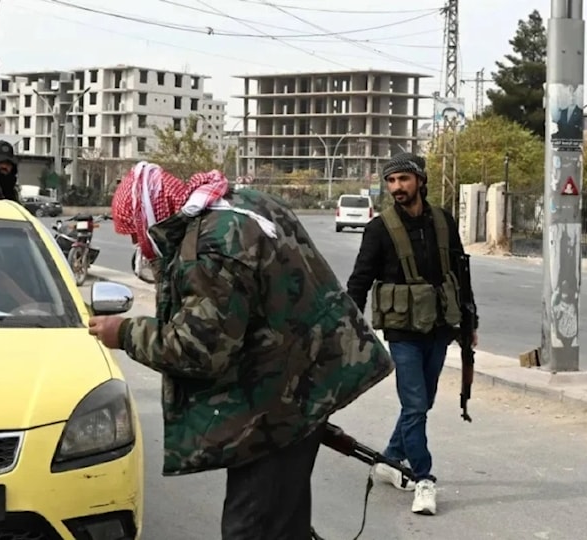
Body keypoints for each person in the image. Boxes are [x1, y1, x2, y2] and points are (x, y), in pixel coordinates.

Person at [87, 162, 393, 540]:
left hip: (278, 402)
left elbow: (197, 349)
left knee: (250, 529)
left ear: (152, 215)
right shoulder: (241, 203)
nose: (138, 244)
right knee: (283, 524)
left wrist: (125, 332)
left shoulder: (211, 247)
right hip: (305, 382)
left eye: (136, 232)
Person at [345, 152, 479, 516]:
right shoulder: (379, 229)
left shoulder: (443, 222)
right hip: (402, 331)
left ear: (419, 180)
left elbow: (460, 274)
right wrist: (345, 325)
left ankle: (389, 459)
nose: (397, 187)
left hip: (439, 327)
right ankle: (423, 479)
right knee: (416, 404)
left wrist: (470, 323)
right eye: (390, 181)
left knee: (421, 403)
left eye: (403, 179)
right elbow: (359, 280)